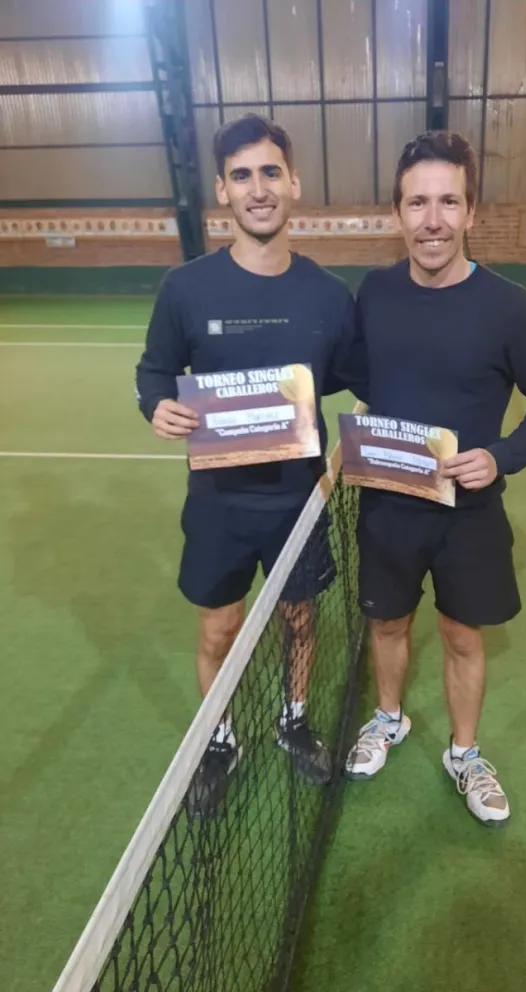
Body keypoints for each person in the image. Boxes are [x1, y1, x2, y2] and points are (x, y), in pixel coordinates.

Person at [135, 113, 363, 812]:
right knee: (218, 628)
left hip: (298, 501)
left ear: (294, 183)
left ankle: (293, 724)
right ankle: (221, 739)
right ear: (222, 193)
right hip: (218, 503)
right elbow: (155, 372)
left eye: (270, 172)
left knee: (299, 620)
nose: (258, 188)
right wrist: (157, 408)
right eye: (242, 176)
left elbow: (351, 380)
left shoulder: (328, 295)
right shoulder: (185, 289)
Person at [345, 131, 526, 827]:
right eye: (418, 202)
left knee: (462, 636)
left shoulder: (509, 306)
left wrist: (499, 457)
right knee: (386, 623)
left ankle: (465, 753)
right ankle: (389, 718)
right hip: (388, 502)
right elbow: (357, 377)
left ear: (471, 212)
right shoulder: (374, 294)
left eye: (448, 201)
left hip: (469, 512)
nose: (433, 219)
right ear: (397, 213)